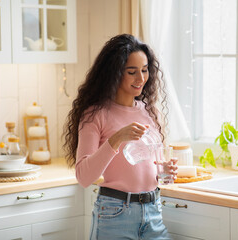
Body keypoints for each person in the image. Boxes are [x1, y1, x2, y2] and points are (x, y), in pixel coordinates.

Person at [63, 34, 178, 239]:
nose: (141, 78)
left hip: (153, 210)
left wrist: (164, 170)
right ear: (114, 73)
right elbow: (84, 177)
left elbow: (149, 165)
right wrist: (116, 139)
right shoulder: (95, 115)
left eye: (144, 70)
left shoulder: (150, 111)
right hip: (115, 214)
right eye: (132, 72)